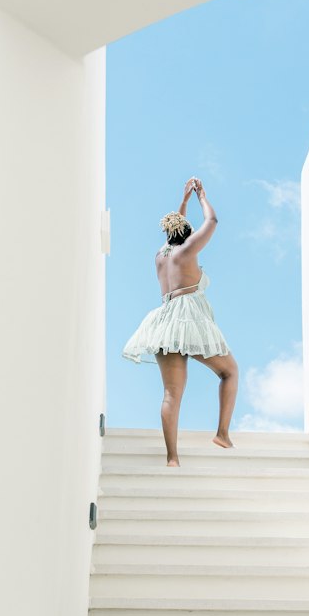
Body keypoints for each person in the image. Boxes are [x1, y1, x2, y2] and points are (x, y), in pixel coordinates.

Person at [122, 177, 240, 466]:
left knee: (171, 394)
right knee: (229, 373)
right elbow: (211, 220)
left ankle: (172, 458)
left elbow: (175, 230)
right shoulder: (188, 251)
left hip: (164, 322)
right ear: (187, 233)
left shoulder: (161, 256)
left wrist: (184, 201)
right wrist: (201, 198)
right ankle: (223, 434)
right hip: (189, 320)